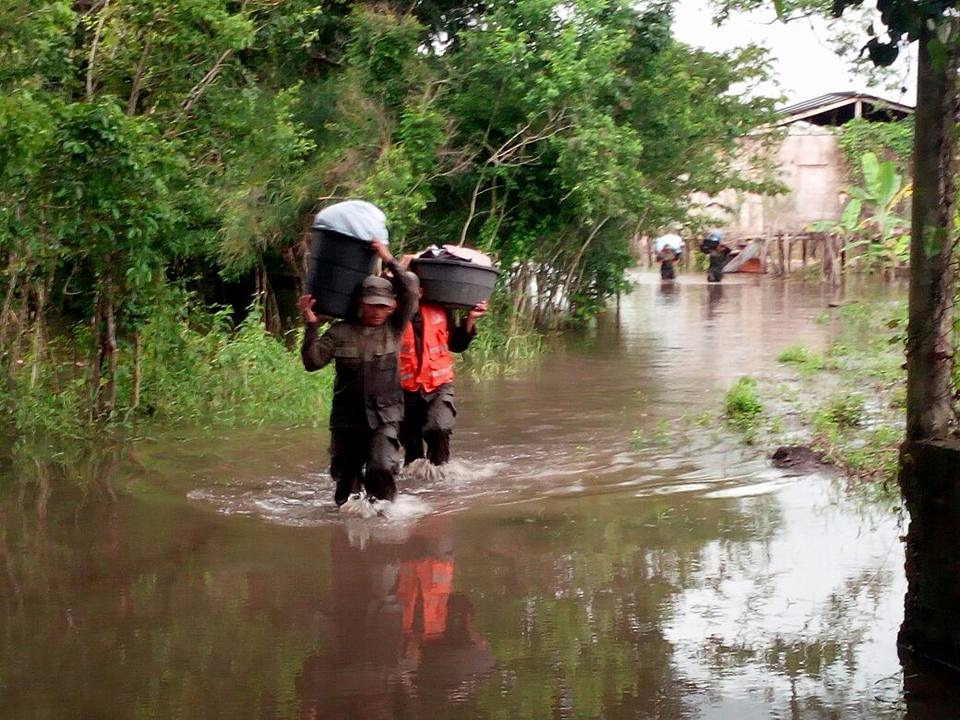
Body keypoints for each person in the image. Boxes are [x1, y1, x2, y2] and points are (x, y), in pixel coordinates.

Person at [298, 240, 418, 506]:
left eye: (383, 306)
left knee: (382, 467)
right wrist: (311, 327)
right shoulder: (340, 332)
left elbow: (409, 288)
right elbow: (312, 362)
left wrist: (385, 255)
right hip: (347, 420)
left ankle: (385, 517)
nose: (378, 312)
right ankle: (348, 531)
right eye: (372, 305)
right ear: (360, 304)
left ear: (393, 308)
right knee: (346, 484)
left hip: (385, 415)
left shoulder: (394, 328)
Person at [399, 296, 486, 467]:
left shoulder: (440, 310)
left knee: (438, 428)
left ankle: (441, 479)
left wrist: (471, 319)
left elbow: (457, 344)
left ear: (422, 290)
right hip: (404, 389)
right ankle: (415, 486)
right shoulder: (391, 313)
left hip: (438, 385)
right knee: (412, 447)